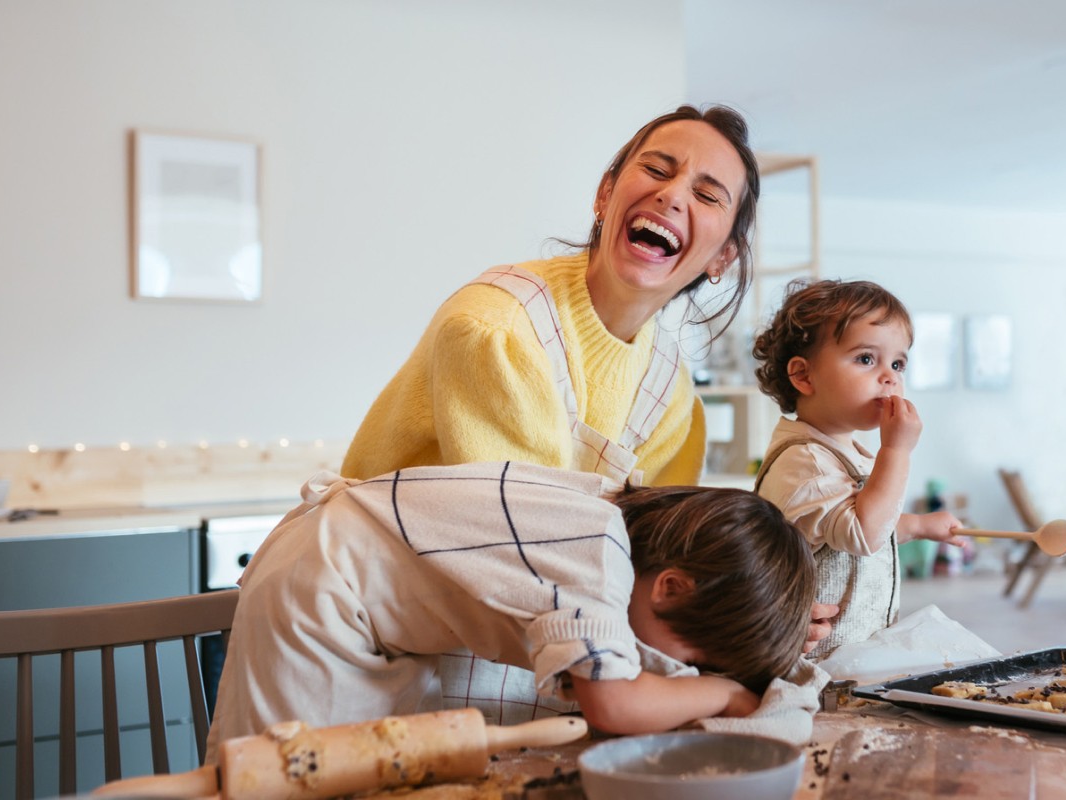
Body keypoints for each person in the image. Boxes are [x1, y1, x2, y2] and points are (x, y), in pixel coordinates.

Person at [205, 461, 824, 763]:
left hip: (355, 592)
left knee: (375, 769)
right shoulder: (598, 553)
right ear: (670, 588)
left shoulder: (609, 520)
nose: (671, 668)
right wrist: (719, 694)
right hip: (320, 588)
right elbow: (614, 703)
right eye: (692, 657)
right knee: (295, 770)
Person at [340, 104, 761, 488]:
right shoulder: (497, 328)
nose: (671, 195)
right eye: (656, 170)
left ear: (723, 257)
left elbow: (649, 553)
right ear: (605, 193)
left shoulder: (669, 393)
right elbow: (516, 538)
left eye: (706, 196)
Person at [751, 279, 965, 660]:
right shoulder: (806, 462)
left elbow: (849, 526)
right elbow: (862, 533)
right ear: (803, 376)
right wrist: (897, 450)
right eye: (866, 359)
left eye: (898, 363)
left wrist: (916, 526)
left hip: (852, 654)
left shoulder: (845, 450)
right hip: (813, 657)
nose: (890, 377)